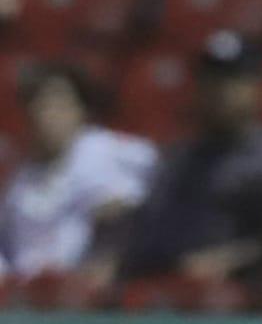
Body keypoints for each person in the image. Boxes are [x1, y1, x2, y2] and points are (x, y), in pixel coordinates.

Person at [119, 31, 262, 282]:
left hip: (233, 304)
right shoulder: (178, 158)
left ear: (256, 88)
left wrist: (232, 259)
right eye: (211, 81)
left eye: (232, 81)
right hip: (159, 292)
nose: (219, 92)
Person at [0, 63, 156, 280]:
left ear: (81, 110)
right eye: (41, 105)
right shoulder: (19, 177)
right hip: (27, 292)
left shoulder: (101, 150)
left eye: (59, 105)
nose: (48, 115)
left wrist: (108, 252)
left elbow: (131, 210)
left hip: (81, 289)